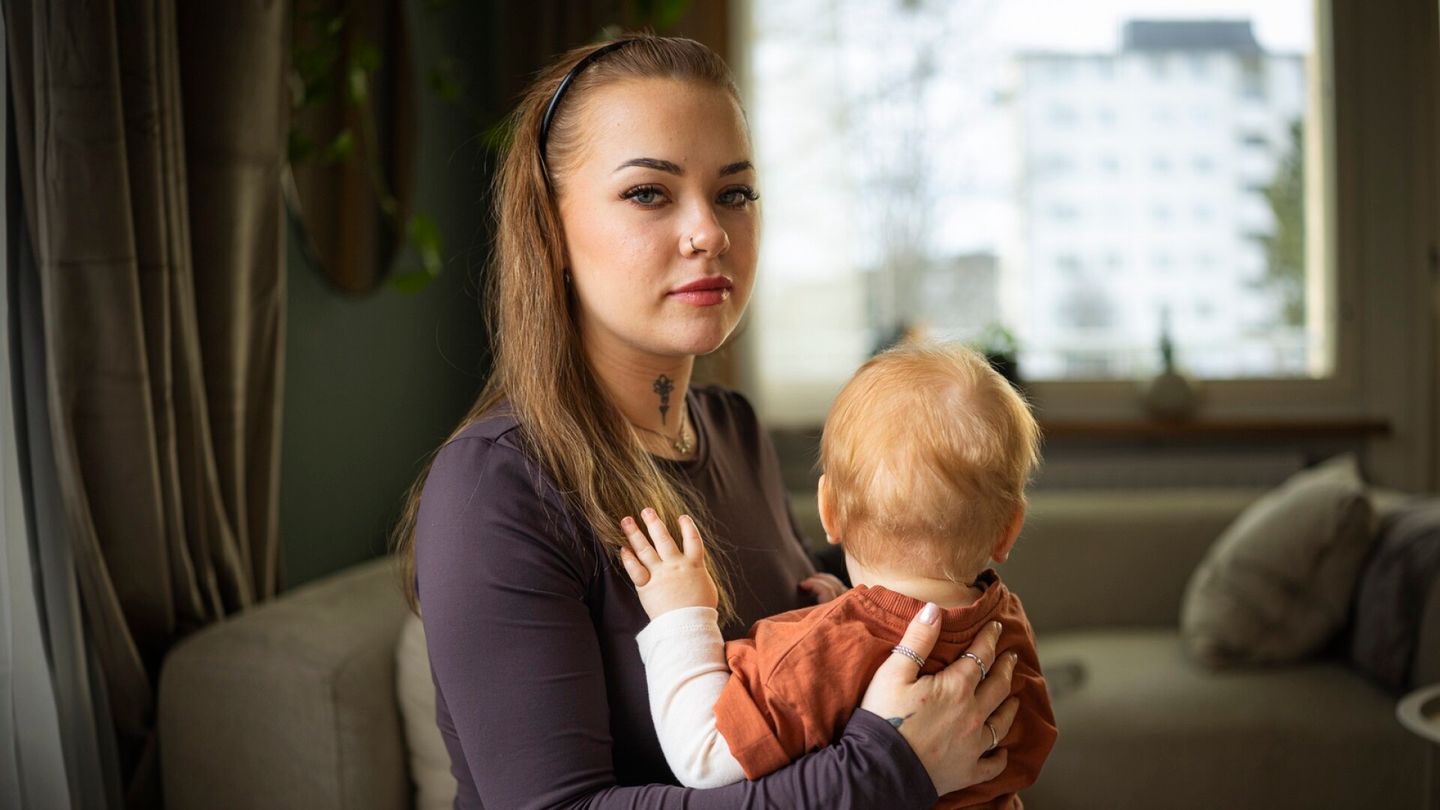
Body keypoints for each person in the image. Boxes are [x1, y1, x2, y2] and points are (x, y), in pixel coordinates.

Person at [393, 33, 1022, 808]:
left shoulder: (730, 429)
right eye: (649, 194)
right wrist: (887, 769)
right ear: (550, 230)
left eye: (733, 194)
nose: (710, 233)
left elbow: (798, 699)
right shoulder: (497, 483)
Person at [618, 341, 1057, 808]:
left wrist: (682, 614)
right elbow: (1026, 750)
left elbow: (704, 757)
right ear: (1010, 529)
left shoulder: (821, 648)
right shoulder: (1005, 626)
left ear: (828, 511)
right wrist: (845, 601)